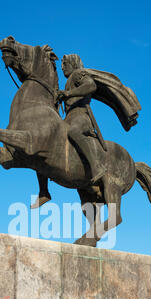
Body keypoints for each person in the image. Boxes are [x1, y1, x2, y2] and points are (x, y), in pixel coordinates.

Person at [31, 54, 107, 209]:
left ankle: (96, 167)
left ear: (72, 63)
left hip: (81, 118)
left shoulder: (78, 74)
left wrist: (68, 94)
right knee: (42, 146)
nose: (63, 66)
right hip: (68, 119)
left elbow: (91, 86)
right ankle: (44, 191)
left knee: (73, 132)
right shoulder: (68, 81)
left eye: (65, 63)